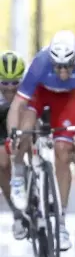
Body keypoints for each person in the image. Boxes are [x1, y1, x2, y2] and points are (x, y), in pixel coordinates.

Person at [6, 30, 75, 251]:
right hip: (40, 94)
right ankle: (18, 174)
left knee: (63, 150)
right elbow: (18, 104)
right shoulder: (39, 63)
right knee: (26, 129)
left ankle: (60, 221)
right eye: (58, 66)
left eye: (68, 66)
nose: (63, 71)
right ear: (51, 61)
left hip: (67, 100)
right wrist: (14, 133)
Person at [0, 51, 28, 239]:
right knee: (2, 163)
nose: (10, 88)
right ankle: (18, 213)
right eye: (4, 83)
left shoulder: (30, 86)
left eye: (15, 82)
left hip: (23, 115)